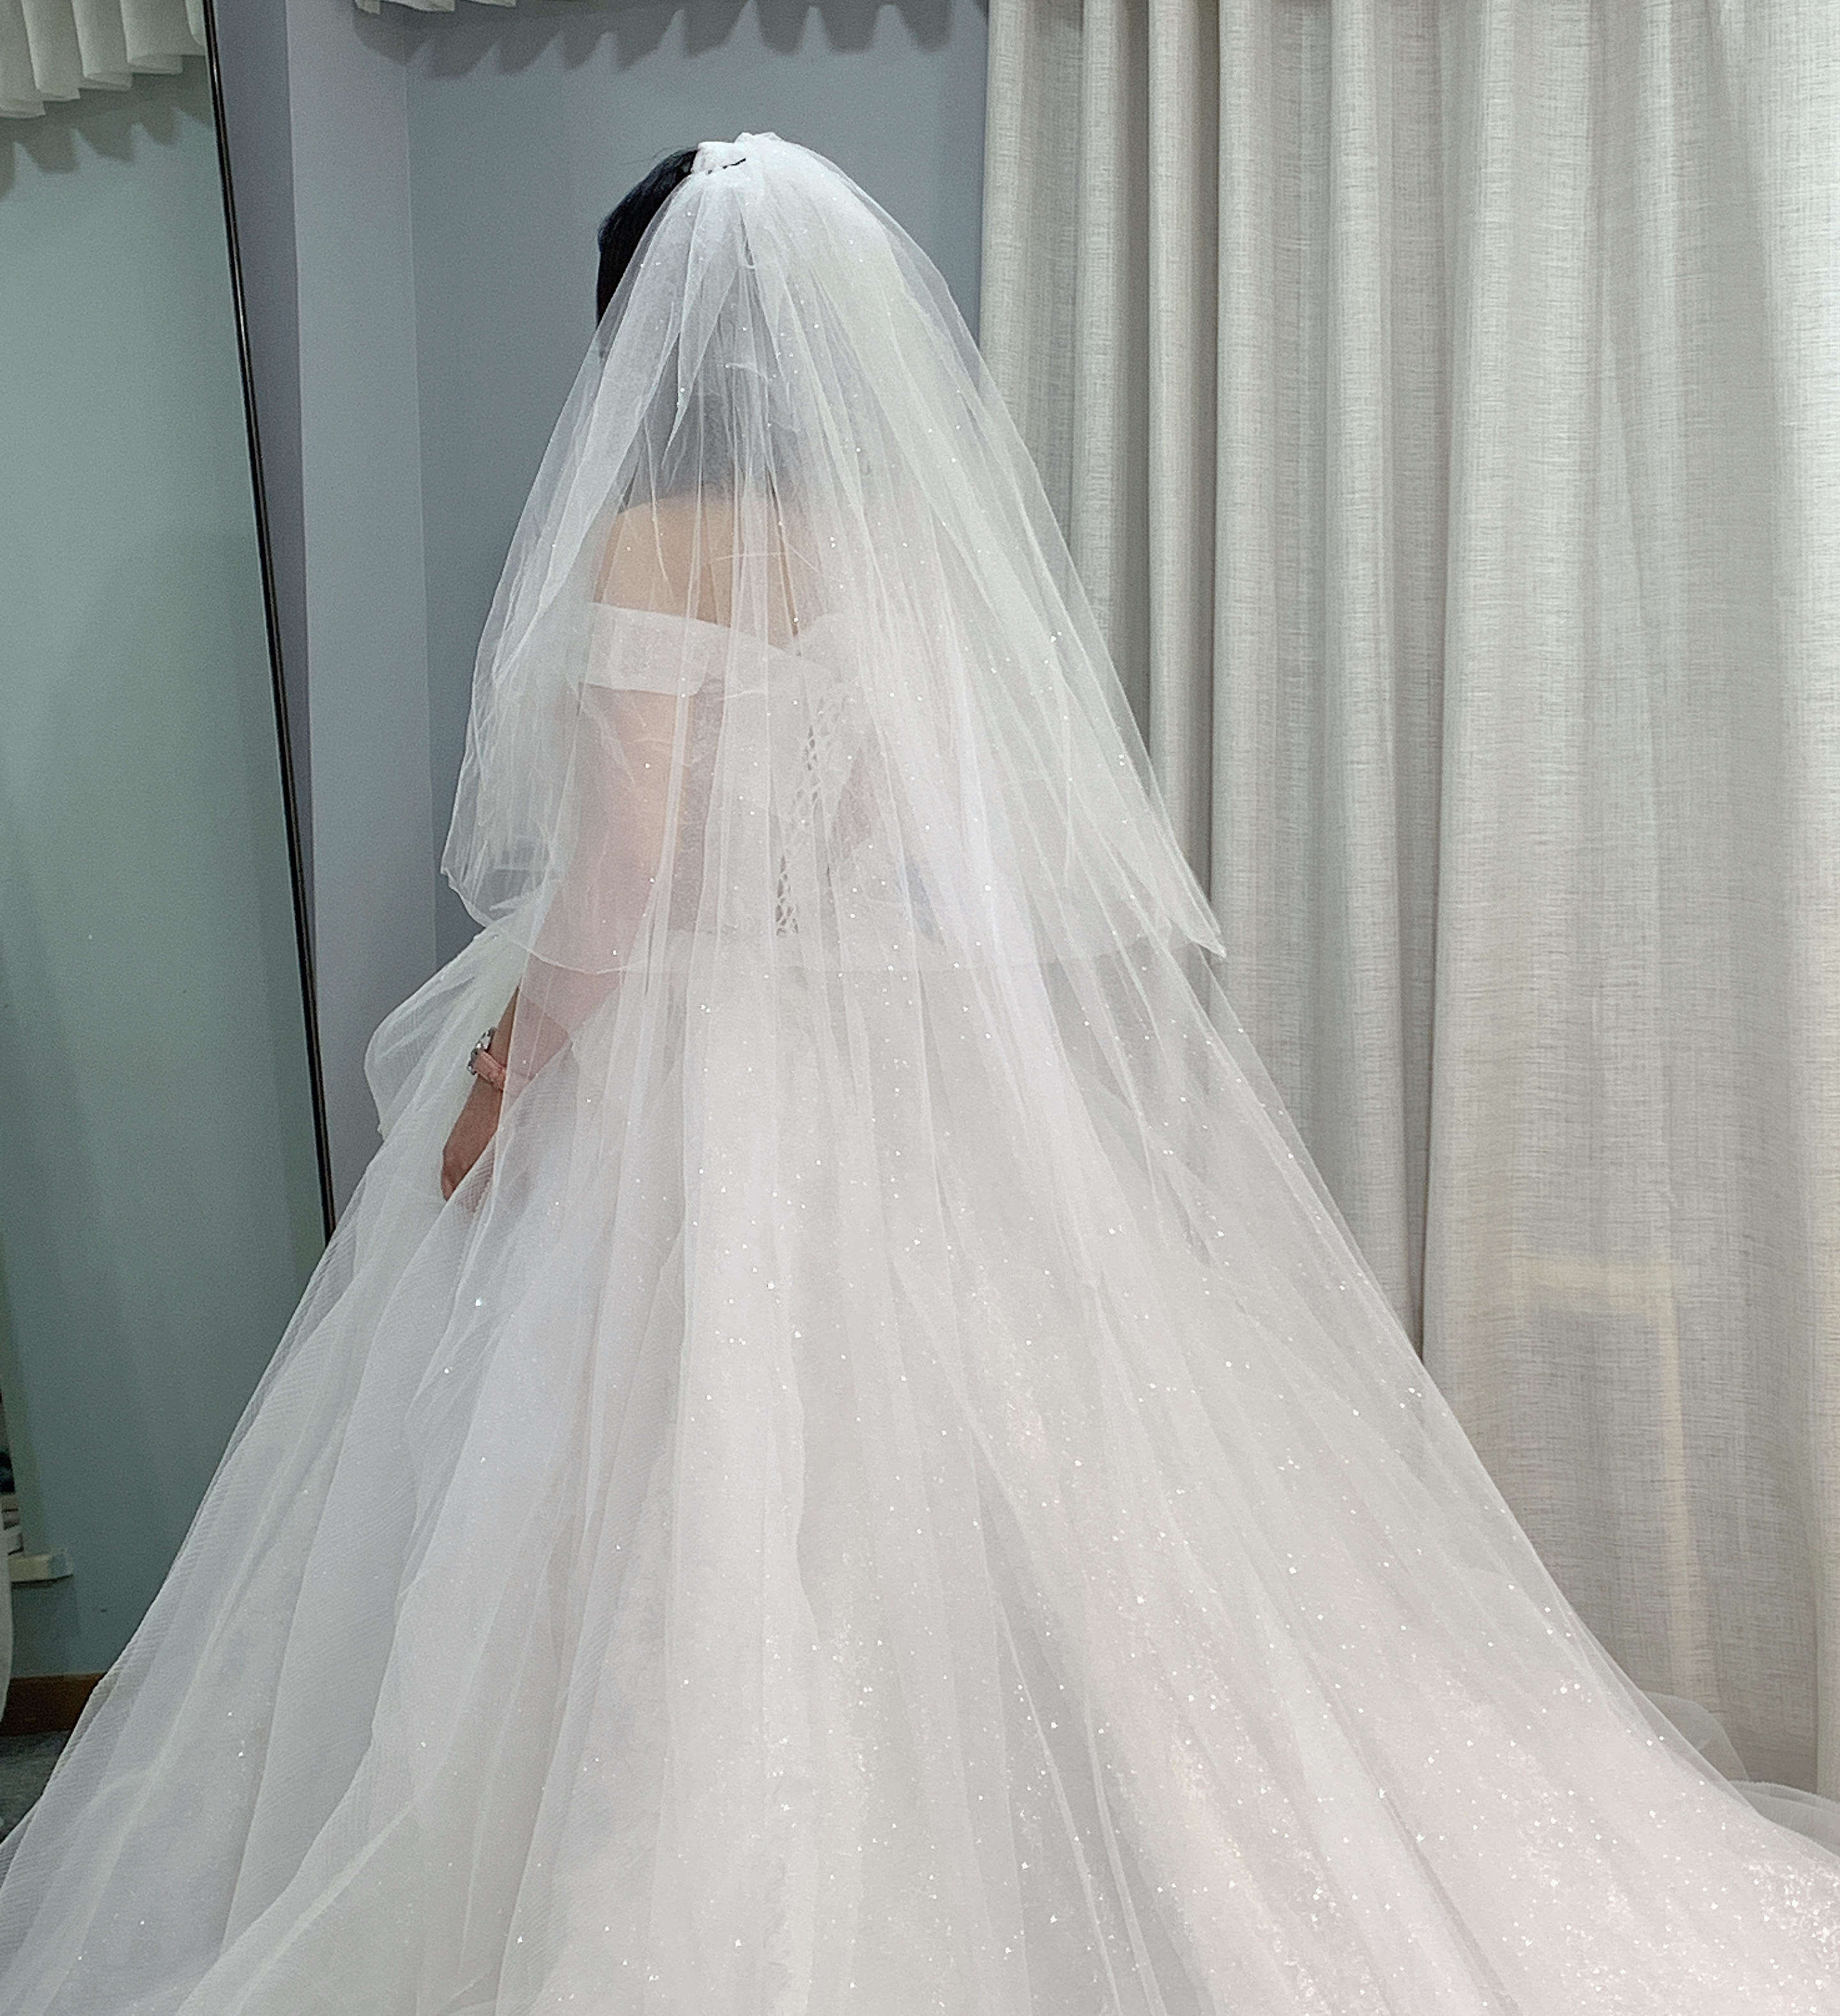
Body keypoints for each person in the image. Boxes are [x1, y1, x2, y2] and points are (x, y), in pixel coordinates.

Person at [2, 134, 1837, 2014]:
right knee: (949, 1493)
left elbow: (617, 885)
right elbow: (892, 828)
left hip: (683, 1072)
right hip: (872, 1044)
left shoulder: (644, 547)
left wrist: (497, 1073)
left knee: (643, 1497)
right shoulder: (899, 547)